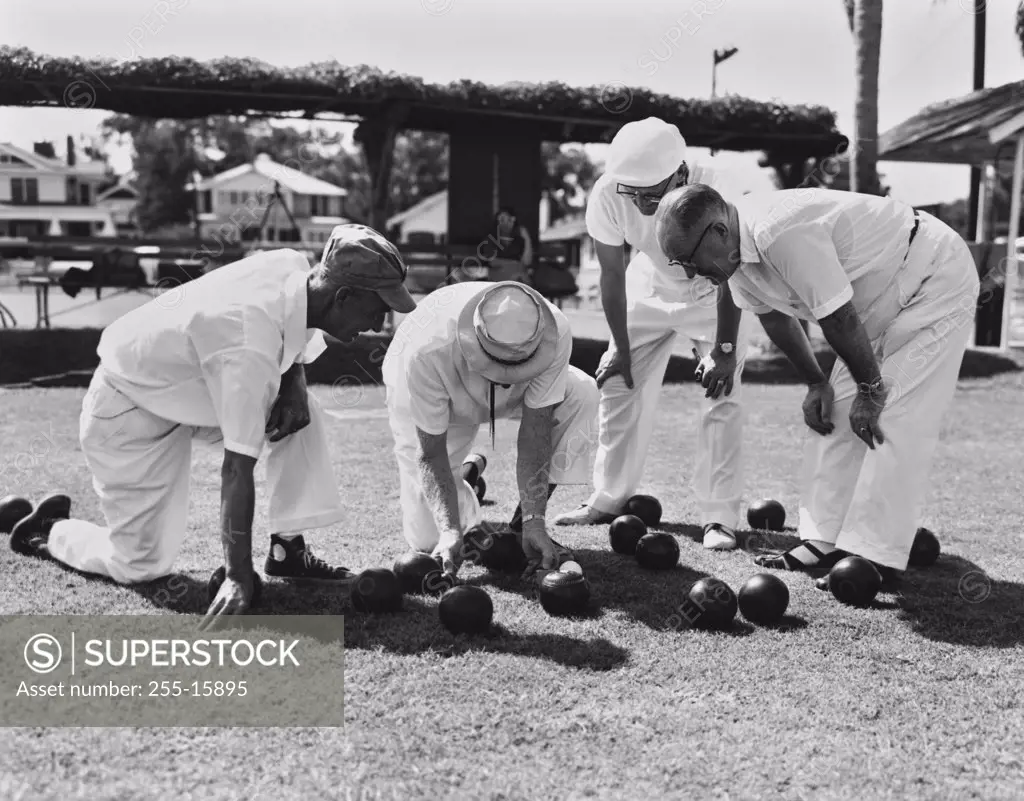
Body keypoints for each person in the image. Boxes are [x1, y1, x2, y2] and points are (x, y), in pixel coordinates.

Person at [10, 224, 418, 624]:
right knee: (140, 564)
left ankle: (287, 551)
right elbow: (236, 469)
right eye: (380, 307)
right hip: (128, 409)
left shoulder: (292, 266)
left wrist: (293, 379)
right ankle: (50, 532)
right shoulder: (246, 343)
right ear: (344, 296)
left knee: (299, 413)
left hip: (189, 390)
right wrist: (238, 575)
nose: (381, 322)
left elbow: (293, 326)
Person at [655, 183, 979, 586]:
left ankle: (876, 557)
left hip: (934, 275)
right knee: (837, 411)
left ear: (719, 231)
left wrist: (872, 390)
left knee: (893, 417)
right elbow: (775, 318)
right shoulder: (733, 259)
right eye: (678, 263)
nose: (689, 272)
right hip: (877, 298)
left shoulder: (779, 230)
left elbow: (838, 318)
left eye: (688, 259)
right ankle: (824, 540)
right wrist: (816, 383)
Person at [554, 116, 754, 552]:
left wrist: (724, 349)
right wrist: (620, 348)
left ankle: (718, 517)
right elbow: (610, 274)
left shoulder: (721, 187)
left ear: (681, 173)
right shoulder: (609, 191)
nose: (642, 204)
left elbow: (732, 272)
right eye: (635, 193)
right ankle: (608, 498)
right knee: (617, 384)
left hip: (713, 286)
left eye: (653, 193)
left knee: (721, 393)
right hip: (648, 285)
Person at [382, 280, 599, 577]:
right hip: (435, 387)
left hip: (517, 390)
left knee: (583, 393)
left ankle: (521, 525)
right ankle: (463, 482)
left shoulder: (554, 331)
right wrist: (449, 530)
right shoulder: (427, 350)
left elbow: (537, 434)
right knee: (429, 539)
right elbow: (430, 452)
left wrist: (534, 520)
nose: (507, 376)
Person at [486, 206, 533, 284]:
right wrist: (516, 265)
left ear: (513, 219)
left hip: (518, 278)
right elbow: (492, 261)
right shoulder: (492, 238)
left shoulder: (519, 239)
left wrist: (527, 238)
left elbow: (527, 262)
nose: (502, 223)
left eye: (505, 220)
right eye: (500, 220)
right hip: (498, 278)